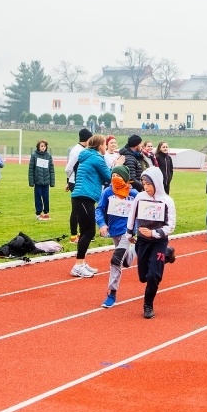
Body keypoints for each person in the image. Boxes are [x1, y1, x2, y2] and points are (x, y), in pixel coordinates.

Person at [70, 135, 118, 278]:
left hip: (83, 196)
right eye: (104, 144)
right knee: (89, 232)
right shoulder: (97, 158)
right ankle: (78, 265)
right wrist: (117, 164)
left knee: (86, 232)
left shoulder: (87, 156)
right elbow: (108, 177)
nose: (105, 147)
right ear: (99, 146)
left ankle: (81, 262)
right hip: (85, 197)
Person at [95, 165, 139, 308]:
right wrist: (101, 224)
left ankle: (111, 293)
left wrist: (135, 229)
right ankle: (135, 249)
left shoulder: (134, 194)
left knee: (116, 260)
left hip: (127, 231)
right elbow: (100, 209)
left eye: (118, 176)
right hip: (114, 231)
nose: (115, 178)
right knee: (125, 262)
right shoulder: (108, 192)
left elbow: (141, 212)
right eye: (113, 176)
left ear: (125, 178)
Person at [65, 128, 92, 243]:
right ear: (87, 139)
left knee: (81, 209)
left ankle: (82, 233)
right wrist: (69, 180)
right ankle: (73, 235)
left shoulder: (82, 149)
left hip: (79, 181)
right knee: (76, 209)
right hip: (75, 182)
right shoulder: (77, 151)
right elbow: (69, 168)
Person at [28, 139, 55, 221]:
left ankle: (46, 213)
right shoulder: (34, 155)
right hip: (38, 181)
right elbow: (31, 169)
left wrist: (52, 182)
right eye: (41, 146)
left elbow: (51, 169)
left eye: (44, 146)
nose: (43, 147)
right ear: (38, 147)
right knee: (38, 197)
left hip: (46, 181)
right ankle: (38, 214)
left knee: (46, 197)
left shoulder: (48, 156)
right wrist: (31, 182)